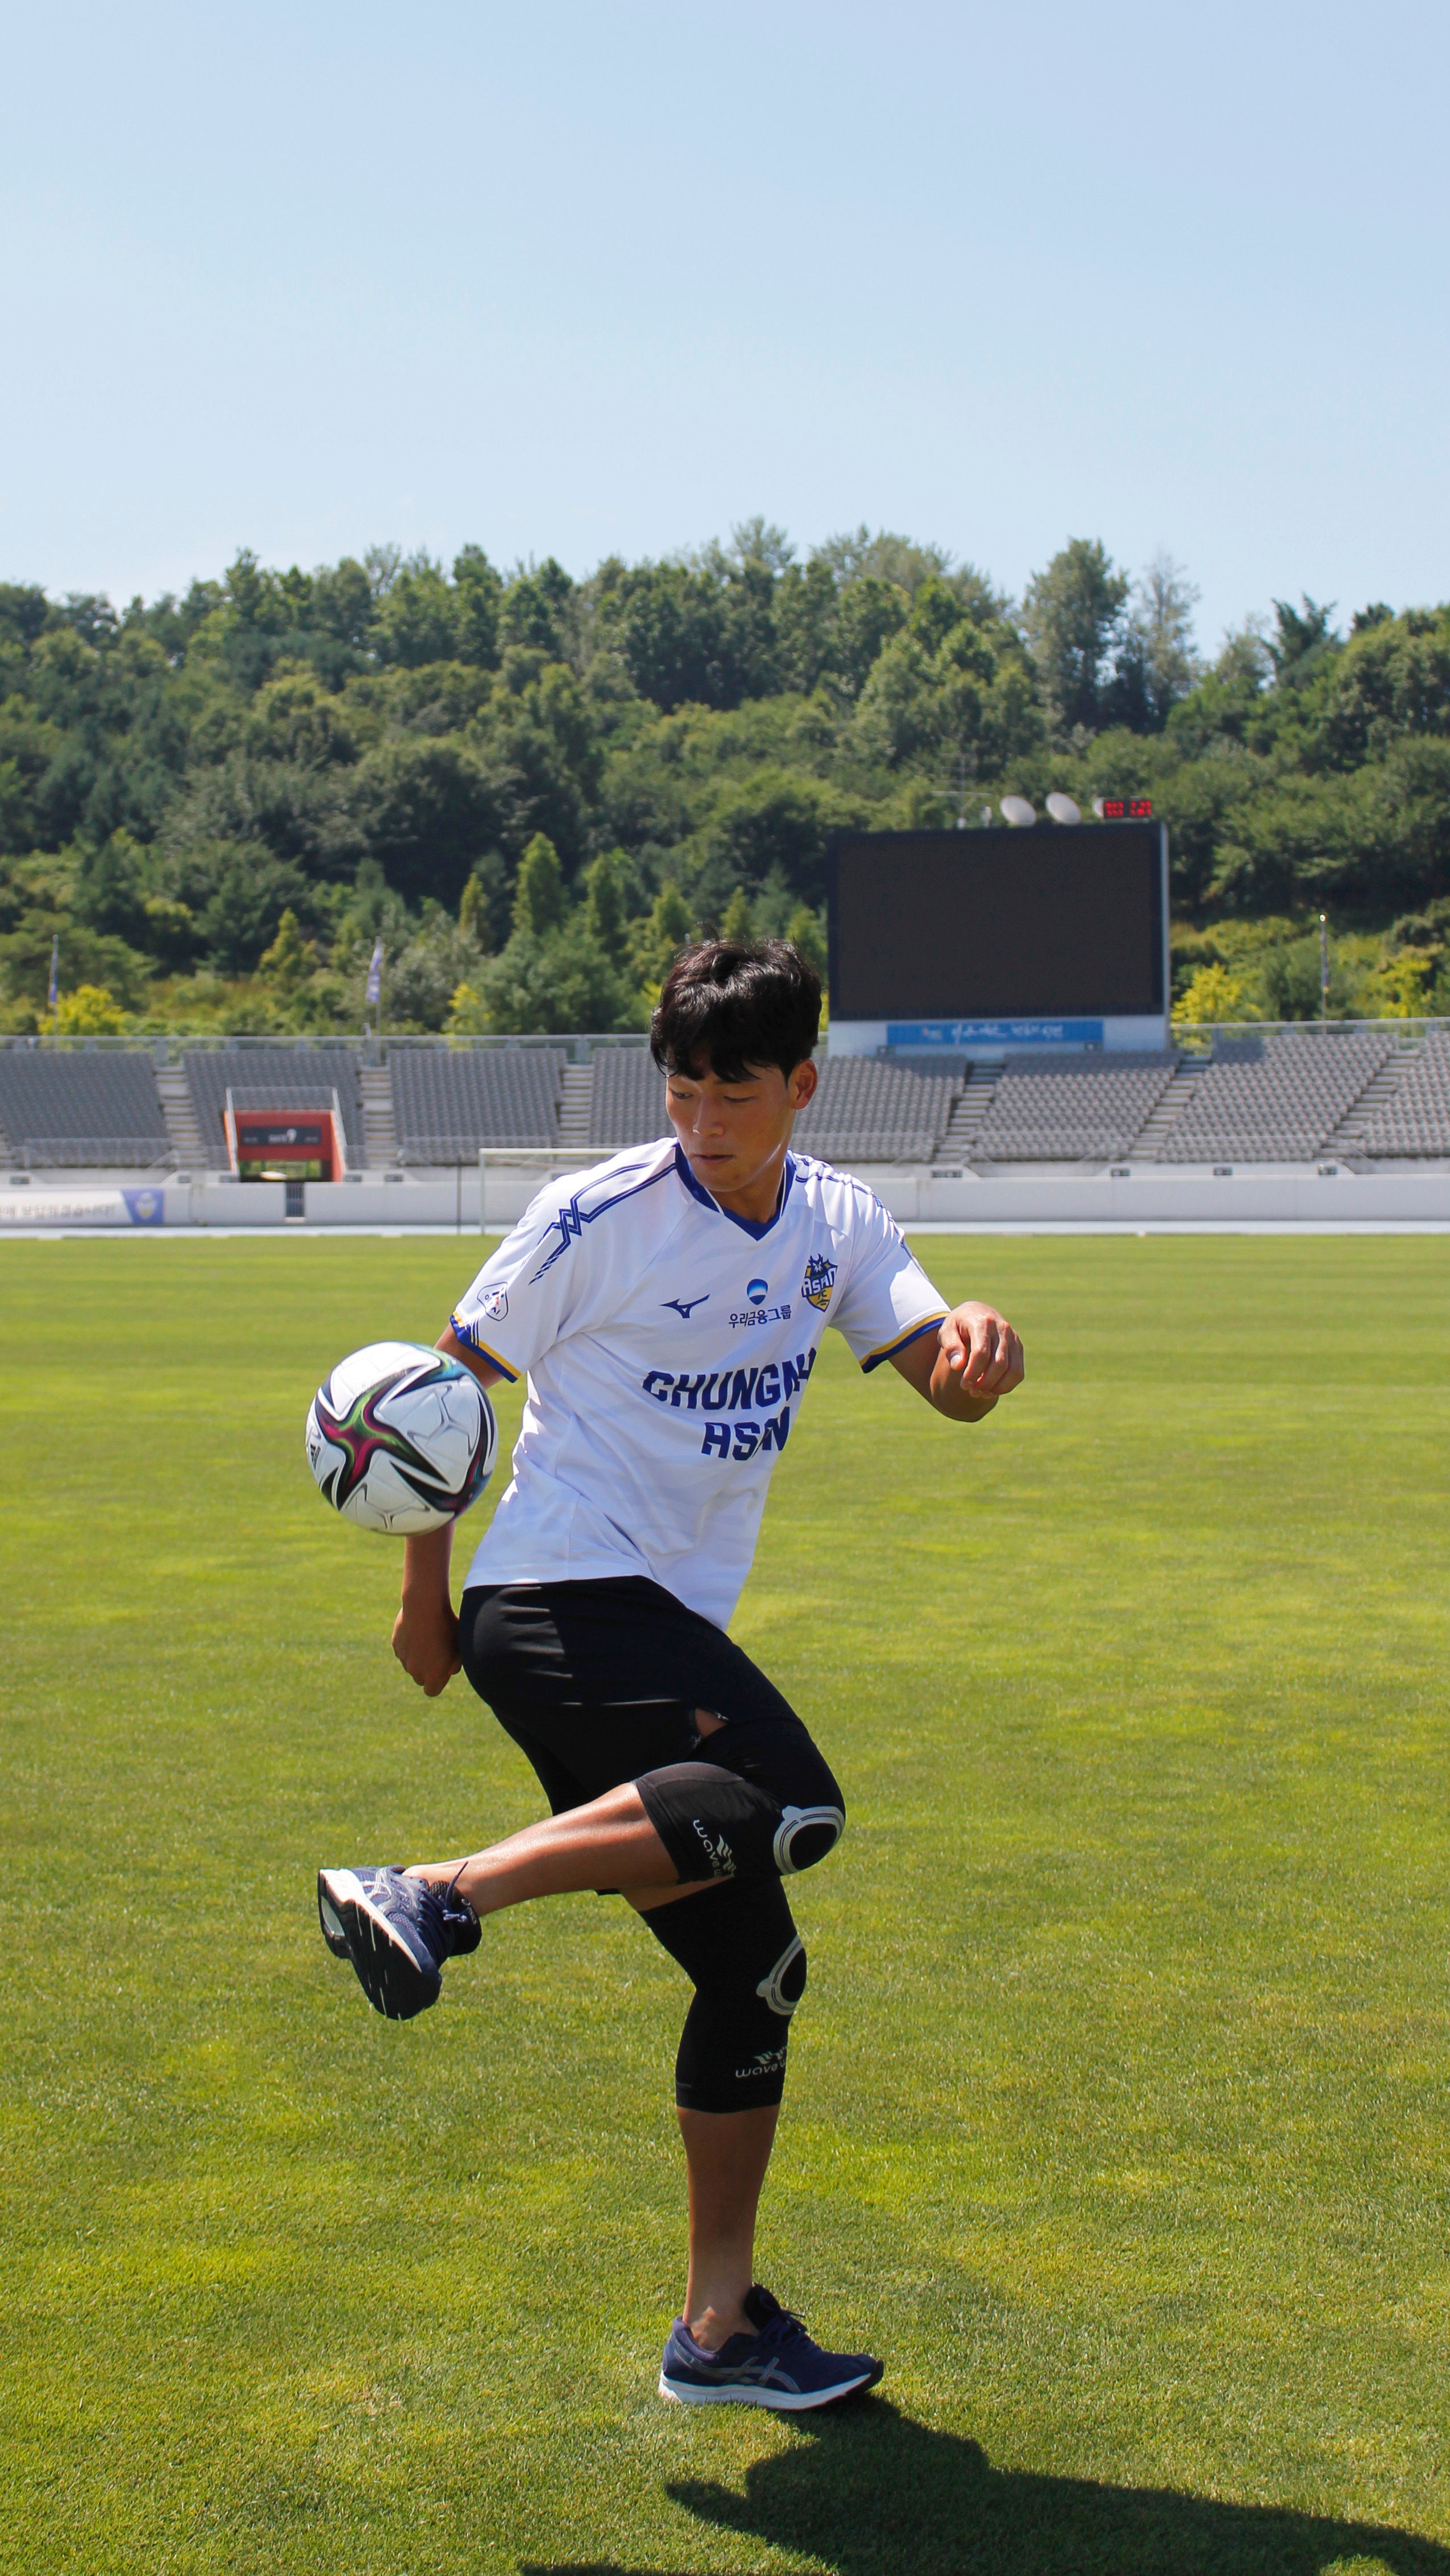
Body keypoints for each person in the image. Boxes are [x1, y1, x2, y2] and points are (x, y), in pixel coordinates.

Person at [318, 939, 1024, 2410]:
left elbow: (940, 1378)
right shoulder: (595, 1217)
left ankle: (717, 2334)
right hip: (555, 1593)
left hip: (664, 1621)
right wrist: (421, 1600)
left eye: (737, 1087)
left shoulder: (837, 1219)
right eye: (685, 1084)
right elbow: (442, 1402)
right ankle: (439, 1893)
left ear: (800, 1087)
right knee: (790, 1796)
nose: (705, 1113)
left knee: (756, 1974)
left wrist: (980, 1360)